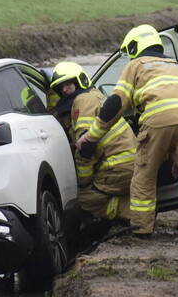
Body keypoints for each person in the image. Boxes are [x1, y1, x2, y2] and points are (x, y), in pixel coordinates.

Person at [76, 25, 178, 242]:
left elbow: (116, 103)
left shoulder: (136, 65)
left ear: (136, 46)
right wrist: (176, 154)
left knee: (144, 176)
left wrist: (90, 136)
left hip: (157, 121)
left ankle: (142, 230)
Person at [49, 61, 136, 224]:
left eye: (68, 84)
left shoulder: (82, 101)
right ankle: (138, 206)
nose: (65, 90)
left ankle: (132, 212)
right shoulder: (94, 95)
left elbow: (86, 147)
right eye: (61, 87)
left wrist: (84, 181)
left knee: (85, 199)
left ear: (79, 81)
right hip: (129, 164)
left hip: (116, 167)